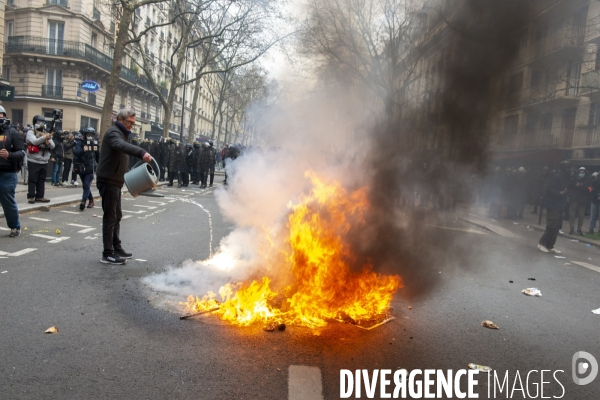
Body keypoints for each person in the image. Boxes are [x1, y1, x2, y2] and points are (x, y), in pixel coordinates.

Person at [96, 108, 152, 265]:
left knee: (117, 215)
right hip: (108, 180)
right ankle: (107, 254)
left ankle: (116, 247)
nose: (131, 126)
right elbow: (119, 146)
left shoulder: (122, 133)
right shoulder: (114, 133)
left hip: (115, 180)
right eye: (129, 122)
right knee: (110, 216)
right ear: (120, 119)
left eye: (133, 123)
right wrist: (141, 152)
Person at [0, 106, 25, 237]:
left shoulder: (13, 132)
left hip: (7, 173)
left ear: (5, 116)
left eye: (0, 115)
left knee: (7, 202)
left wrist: (9, 155)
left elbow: (21, 153)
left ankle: (15, 226)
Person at [538, 161, 570, 253]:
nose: (570, 170)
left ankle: (550, 245)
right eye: (568, 168)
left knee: (556, 227)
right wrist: (560, 193)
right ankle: (541, 243)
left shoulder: (564, 177)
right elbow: (548, 189)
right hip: (553, 205)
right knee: (551, 226)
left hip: (560, 205)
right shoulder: (556, 177)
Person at [25, 115, 54, 204]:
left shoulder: (46, 133)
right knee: (33, 179)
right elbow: (34, 141)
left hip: (44, 160)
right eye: (38, 121)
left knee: (41, 180)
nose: (41, 123)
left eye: (42, 122)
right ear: (34, 122)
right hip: (34, 160)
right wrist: (44, 138)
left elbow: (53, 146)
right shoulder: (31, 132)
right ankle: (31, 196)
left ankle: (40, 196)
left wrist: (48, 141)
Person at [73, 128, 99, 210]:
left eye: (91, 135)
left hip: (91, 168)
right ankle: (91, 200)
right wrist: (83, 150)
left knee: (86, 184)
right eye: (88, 135)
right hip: (82, 168)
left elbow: (98, 156)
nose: (90, 136)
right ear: (85, 135)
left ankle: (83, 201)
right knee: (85, 186)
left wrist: (100, 166)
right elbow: (76, 152)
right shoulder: (80, 143)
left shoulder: (95, 144)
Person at [568, 166, 589, 236]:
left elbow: (589, 189)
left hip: (582, 201)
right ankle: (571, 229)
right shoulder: (574, 179)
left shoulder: (587, 180)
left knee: (581, 216)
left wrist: (580, 185)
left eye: (583, 172)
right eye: (580, 172)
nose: (581, 173)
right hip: (574, 199)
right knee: (572, 215)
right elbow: (570, 187)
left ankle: (579, 229)